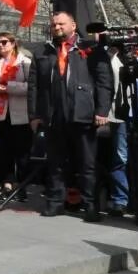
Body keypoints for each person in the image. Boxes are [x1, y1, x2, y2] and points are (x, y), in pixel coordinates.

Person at [28, 12, 113, 221]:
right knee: (55, 162)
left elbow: (104, 82)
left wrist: (102, 111)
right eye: (54, 24)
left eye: (61, 23)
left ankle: (90, 205)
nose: (56, 27)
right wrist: (35, 115)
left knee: (87, 163)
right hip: (53, 114)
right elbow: (34, 86)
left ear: (73, 25)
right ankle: (55, 202)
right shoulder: (43, 51)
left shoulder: (91, 49)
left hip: (82, 114)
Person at [0, 33, 31, 199]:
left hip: (20, 114)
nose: (1, 45)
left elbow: (31, 86)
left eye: (4, 42)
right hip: (1, 113)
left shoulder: (24, 62)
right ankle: (7, 184)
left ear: (13, 43)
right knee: (4, 151)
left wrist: (9, 86)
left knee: (22, 153)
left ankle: (22, 187)